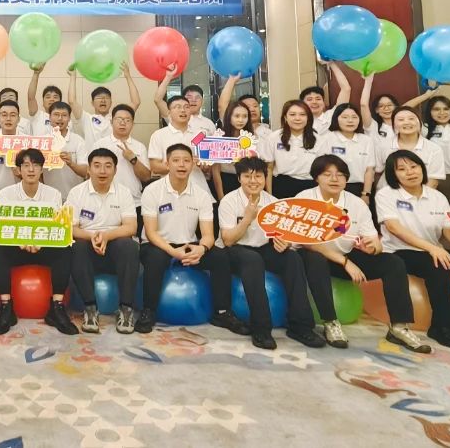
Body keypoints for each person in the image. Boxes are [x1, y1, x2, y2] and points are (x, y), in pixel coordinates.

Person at [298, 155, 432, 352]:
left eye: (340, 175)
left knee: (393, 262)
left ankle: (398, 327)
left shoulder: (356, 203)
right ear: (316, 178)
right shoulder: (304, 199)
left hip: (345, 254)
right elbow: (307, 242)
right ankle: (330, 322)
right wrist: (345, 263)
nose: (334, 179)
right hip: (314, 257)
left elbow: (373, 241)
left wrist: (373, 247)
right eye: (327, 174)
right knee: (315, 259)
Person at [138, 145, 253, 341]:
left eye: (186, 160)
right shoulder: (152, 190)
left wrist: (201, 248)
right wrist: (172, 251)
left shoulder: (201, 195)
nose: (181, 165)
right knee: (155, 258)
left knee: (220, 257)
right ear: (167, 163)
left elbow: (208, 235)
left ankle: (222, 312)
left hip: (189, 244)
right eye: (176, 160)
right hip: (158, 244)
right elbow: (150, 232)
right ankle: (149, 311)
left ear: (193, 164)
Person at [218, 157, 326, 348]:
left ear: (265, 178)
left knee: (292, 258)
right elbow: (228, 240)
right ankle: (261, 329)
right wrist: (247, 219)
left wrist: (284, 242)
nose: (253, 181)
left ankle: (300, 326)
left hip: (262, 248)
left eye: (258, 176)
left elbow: (282, 235)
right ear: (239, 178)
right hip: (234, 250)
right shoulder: (229, 201)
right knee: (252, 260)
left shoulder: (274, 203)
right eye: (247, 176)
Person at [375, 149, 450, 350]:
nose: (410, 172)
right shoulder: (386, 194)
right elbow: (394, 228)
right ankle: (444, 327)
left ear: (422, 168)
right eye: (402, 169)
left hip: (432, 250)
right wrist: (432, 249)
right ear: (393, 175)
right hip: (399, 251)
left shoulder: (437, 197)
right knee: (437, 265)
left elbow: (448, 231)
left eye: (414, 166)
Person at [0, 149, 79, 336]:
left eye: (36, 165)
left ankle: (57, 307)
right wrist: (20, 241)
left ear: (41, 169)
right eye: (26, 165)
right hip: (16, 248)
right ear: (18, 170)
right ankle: (6, 307)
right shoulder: (6, 194)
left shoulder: (53, 194)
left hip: (43, 247)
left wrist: (40, 241)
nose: (31, 170)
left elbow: (57, 227)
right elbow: (1, 226)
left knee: (65, 246)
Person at [67, 148, 141, 334]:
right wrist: (92, 237)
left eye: (108, 166)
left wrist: (106, 236)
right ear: (89, 169)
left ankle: (126, 308)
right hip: (87, 245)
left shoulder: (123, 192)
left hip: (114, 245)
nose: (102, 171)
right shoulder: (76, 193)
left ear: (115, 170)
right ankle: (90, 308)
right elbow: (70, 228)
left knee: (129, 245)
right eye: (97, 166)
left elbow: (131, 227)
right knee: (77, 246)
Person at [90, 105, 150, 228]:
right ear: (111, 122)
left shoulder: (139, 147)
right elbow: (90, 174)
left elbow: (146, 177)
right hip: (104, 201)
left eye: (127, 120)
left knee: (132, 237)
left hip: (134, 202)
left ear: (133, 124)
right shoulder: (100, 144)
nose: (123, 123)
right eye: (119, 119)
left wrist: (133, 159)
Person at [148, 95, 213, 195]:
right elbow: (155, 167)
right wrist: (183, 165)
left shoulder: (200, 135)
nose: (183, 110)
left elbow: (208, 166)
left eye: (186, 107)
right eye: (177, 107)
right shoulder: (159, 135)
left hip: (199, 189)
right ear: (169, 113)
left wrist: (204, 166)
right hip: (170, 191)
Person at [373, 106, 444, 192]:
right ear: (394, 125)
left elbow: (433, 181)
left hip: (420, 196)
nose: (406, 122)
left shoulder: (434, 149)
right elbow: (377, 172)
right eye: (401, 120)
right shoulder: (383, 146)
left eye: (411, 119)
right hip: (388, 196)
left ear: (419, 123)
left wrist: (418, 197)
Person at [67, 64, 140, 146]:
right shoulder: (86, 119)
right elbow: (72, 101)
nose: (103, 100)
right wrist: (73, 76)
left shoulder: (118, 118)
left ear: (111, 102)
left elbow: (135, 102)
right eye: (99, 98)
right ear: (92, 103)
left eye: (106, 98)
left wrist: (128, 76)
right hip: (92, 154)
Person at [261, 100, 321, 197]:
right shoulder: (274, 137)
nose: (297, 118)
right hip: (281, 185)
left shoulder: (318, 139)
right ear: (285, 117)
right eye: (292, 114)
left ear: (308, 118)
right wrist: (269, 196)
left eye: (302, 114)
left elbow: (322, 170)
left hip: (309, 186)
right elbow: (269, 168)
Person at [315, 103, 376, 197]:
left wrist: (366, 194)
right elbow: (320, 168)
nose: (350, 120)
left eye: (354, 117)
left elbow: (369, 170)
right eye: (345, 117)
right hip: (332, 187)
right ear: (336, 119)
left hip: (360, 189)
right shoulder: (327, 138)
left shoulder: (366, 140)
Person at [211, 100, 258, 199]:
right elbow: (215, 171)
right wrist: (221, 197)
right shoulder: (219, 137)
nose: (241, 120)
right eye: (237, 116)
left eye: (245, 116)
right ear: (229, 117)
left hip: (247, 181)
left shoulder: (252, 138)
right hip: (226, 180)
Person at [41, 101, 89, 197]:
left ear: (69, 118)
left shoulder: (78, 141)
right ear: (49, 117)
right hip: (49, 197)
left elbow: (85, 172)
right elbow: (37, 171)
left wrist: (71, 163)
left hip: (75, 196)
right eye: (56, 114)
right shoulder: (43, 141)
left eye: (64, 115)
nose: (60, 118)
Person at [301, 60, 351, 132]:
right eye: (309, 99)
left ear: (323, 103)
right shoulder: (298, 122)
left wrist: (331, 63)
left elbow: (346, 89)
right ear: (302, 104)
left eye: (318, 99)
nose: (314, 102)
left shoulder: (331, 116)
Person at [27, 66, 70, 136]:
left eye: (55, 97)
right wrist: (36, 74)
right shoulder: (37, 115)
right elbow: (31, 97)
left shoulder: (65, 119)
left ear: (60, 102)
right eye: (48, 97)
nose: (51, 99)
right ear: (43, 102)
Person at [359, 74, 399, 143]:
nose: (386, 108)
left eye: (389, 105)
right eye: (381, 106)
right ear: (376, 110)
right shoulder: (373, 126)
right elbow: (363, 105)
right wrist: (368, 81)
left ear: (396, 107)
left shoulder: (404, 124)